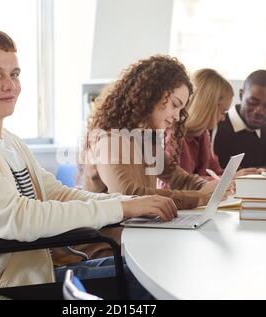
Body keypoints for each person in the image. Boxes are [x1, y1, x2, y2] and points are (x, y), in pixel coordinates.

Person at [0, 29, 177, 299]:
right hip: (14, 287)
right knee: (154, 285)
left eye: (14, 74)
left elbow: (59, 194)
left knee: (159, 269)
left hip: (44, 272)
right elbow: (20, 219)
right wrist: (120, 207)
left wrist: (129, 204)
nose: (9, 85)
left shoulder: (9, 141)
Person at [81, 55, 227, 210]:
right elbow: (129, 195)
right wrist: (199, 198)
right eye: (174, 104)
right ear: (150, 95)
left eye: (180, 109)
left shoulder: (144, 138)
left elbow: (179, 178)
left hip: (138, 228)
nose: (177, 116)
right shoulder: (108, 138)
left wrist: (212, 188)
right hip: (114, 232)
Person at [161, 68, 263, 185]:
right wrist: (230, 179)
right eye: (223, 111)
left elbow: (215, 173)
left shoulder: (203, 134)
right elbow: (172, 185)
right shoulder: (173, 135)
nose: (224, 118)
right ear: (207, 107)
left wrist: (242, 176)